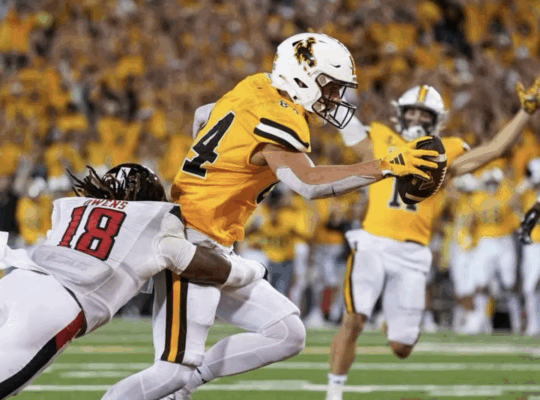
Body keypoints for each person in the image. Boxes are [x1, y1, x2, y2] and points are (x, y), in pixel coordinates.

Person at [101, 33, 440, 400]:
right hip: (192, 243)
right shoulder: (282, 116)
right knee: (171, 370)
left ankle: (186, 386)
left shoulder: (256, 85)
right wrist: (385, 166)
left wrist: (215, 174)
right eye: (329, 86)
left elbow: (203, 114)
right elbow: (307, 183)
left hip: (213, 241)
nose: (335, 98)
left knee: (287, 333)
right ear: (302, 77)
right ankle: (171, 386)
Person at [325, 75, 540, 400]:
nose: (416, 118)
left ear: (435, 120)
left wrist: (525, 113)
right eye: (412, 112)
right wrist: (323, 95)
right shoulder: (381, 138)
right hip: (372, 243)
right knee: (353, 318)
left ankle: (391, 319)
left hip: (413, 253)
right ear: (401, 113)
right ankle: (333, 393)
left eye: (424, 114)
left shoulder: (446, 152)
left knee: (401, 347)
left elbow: (495, 148)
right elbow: (347, 127)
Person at [0, 163, 267, 399]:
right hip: (55, 307)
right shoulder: (151, 221)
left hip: (16, 280)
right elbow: (204, 266)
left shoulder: (72, 207)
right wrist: (254, 270)